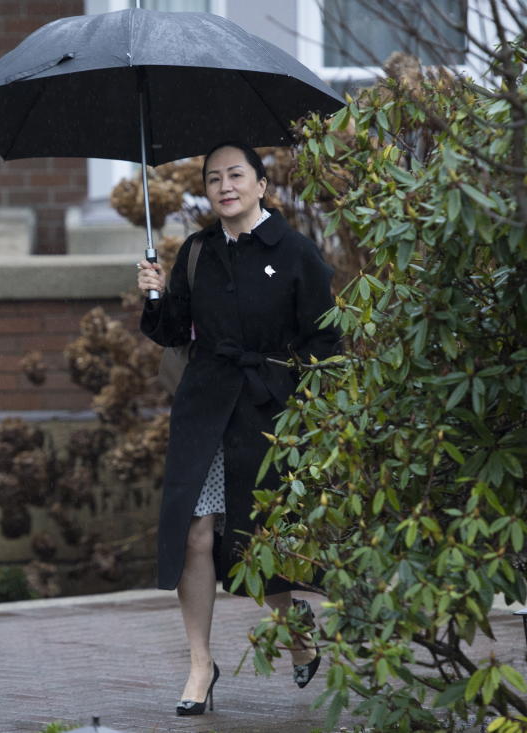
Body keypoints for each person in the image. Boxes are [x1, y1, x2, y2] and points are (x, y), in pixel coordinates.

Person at [136, 141, 339, 716]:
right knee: (195, 536)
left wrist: (296, 402)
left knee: (257, 544)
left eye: (235, 175)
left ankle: (298, 633)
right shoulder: (198, 251)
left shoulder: (296, 251)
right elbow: (174, 329)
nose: (224, 186)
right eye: (213, 178)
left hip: (269, 415)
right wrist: (153, 292)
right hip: (204, 410)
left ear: (260, 185)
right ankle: (200, 663)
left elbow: (325, 341)